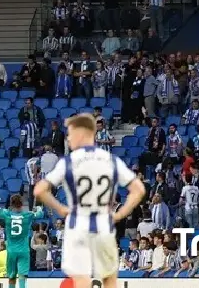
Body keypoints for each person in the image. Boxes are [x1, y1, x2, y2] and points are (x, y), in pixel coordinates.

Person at [33, 113, 146, 288]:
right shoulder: (110, 160)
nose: (68, 138)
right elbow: (139, 189)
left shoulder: (68, 162)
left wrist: (60, 208)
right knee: (108, 279)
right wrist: (121, 214)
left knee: (81, 279)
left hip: (78, 226)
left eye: (71, 134)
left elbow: (39, 189)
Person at [0, 193, 43, 288]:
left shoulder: (6, 214)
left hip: (11, 251)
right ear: (22, 204)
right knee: (22, 276)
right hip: (23, 250)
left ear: (11, 204)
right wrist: (39, 208)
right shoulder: (28, 215)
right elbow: (40, 214)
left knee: (12, 276)